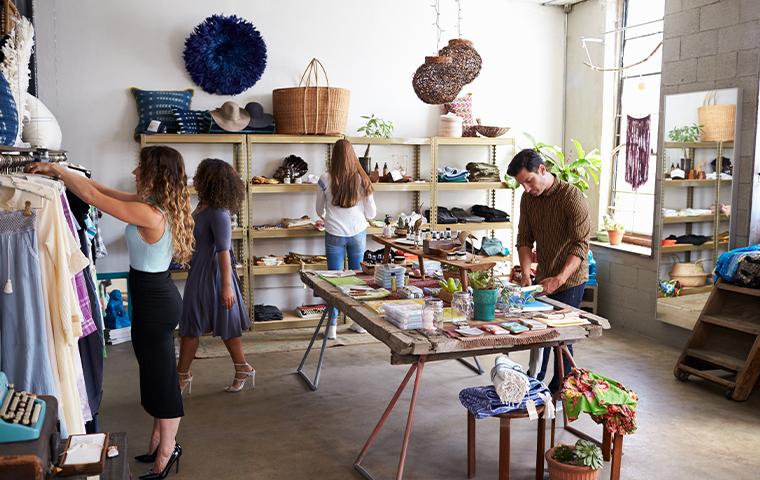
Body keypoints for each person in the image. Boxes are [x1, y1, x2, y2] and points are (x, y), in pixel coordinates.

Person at [28, 145, 194, 479]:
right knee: (154, 375)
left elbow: (91, 195)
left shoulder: (152, 214)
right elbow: (100, 189)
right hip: (151, 298)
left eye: (139, 168)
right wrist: (66, 175)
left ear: (154, 173)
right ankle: (158, 442)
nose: (134, 173)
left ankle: (167, 452)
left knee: (162, 379)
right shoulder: (153, 206)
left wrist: (57, 170)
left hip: (155, 303)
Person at [507, 148, 591, 392]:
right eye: (521, 184)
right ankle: (538, 382)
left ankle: (562, 387)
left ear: (542, 170)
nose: (526, 188)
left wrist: (560, 278)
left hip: (571, 277)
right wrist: (525, 273)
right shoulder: (528, 199)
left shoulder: (572, 197)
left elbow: (581, 245)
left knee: (561, 336)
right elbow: (524, 239)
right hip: (543, 276)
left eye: (529, 181)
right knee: (541, 331)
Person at [177, 158, 253, 394]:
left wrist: (227, 287)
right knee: (193, 322)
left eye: (200, 175)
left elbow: (223, 251)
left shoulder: (218, 212)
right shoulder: (203, 206)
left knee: (217, 323)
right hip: (199, 271)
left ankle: (181, 376)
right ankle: (241, 367)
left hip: (216, 275)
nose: (196, 179)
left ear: (210, 180)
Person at [316, 139, 377, 340]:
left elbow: (318, 210)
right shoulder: (362, 178)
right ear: (353, 156)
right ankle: (359, 324)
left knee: (334, 281)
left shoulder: (325, 178)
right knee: (357, 279)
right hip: (358, 232)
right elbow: (372, 213)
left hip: (334, 233)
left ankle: (332, 326)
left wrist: (330, 217)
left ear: (334, 156)